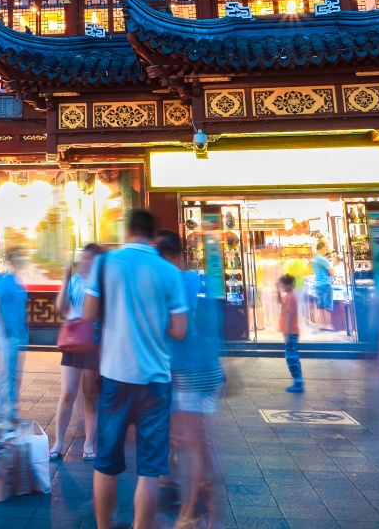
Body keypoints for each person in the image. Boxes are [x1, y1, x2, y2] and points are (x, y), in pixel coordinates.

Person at [84, 209, 187, 529]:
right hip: (156, 379)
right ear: (153, 235)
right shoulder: (168, 270)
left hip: (115, 375)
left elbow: (88, 314)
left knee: (106, 463)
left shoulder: (105, 262)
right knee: (150, 469)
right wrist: (153, 319)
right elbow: (180, 329)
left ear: (126, 231)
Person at [159, 230, 223, 529]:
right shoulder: (199, 281)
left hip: (188, 370)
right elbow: (212, 326)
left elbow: (178, 330)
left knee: (191, 443)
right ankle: (202, 506)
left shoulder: (174, 281)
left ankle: (191, 510)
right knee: (194, 439)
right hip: (205, 368)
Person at [50, 242, 102, 461]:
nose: (84, 261)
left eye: (89, 258)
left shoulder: (101, 283)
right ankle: (58, 443)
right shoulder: (74, 282)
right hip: (72, 342)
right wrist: (65, 276)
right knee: (67, 393)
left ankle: (89, 443)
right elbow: (60, 307)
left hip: (94, 342)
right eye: (83, 257)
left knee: (90, 396)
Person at [0, 247, 28, 431]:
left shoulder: (18, 282)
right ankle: (3, 412)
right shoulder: (6, 280)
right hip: (6, 335)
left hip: (17, 335)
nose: (21, 260)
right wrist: (2, 323)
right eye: (19, 256)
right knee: (7, 374)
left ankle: (8, 410)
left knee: (13, 374)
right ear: (12, 260)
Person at [277, 273, 303, 393]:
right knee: (293, 356)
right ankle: (297, 382)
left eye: (281, 284)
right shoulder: (289, 296)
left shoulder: (290, 297)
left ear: (287, 284)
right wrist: (278, 291)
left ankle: (298, 383)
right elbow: (281, 302)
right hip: (291, 331)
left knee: (291, 357)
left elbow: (289, 315)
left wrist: (287, 333)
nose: (281, 285)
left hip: (291, 331)